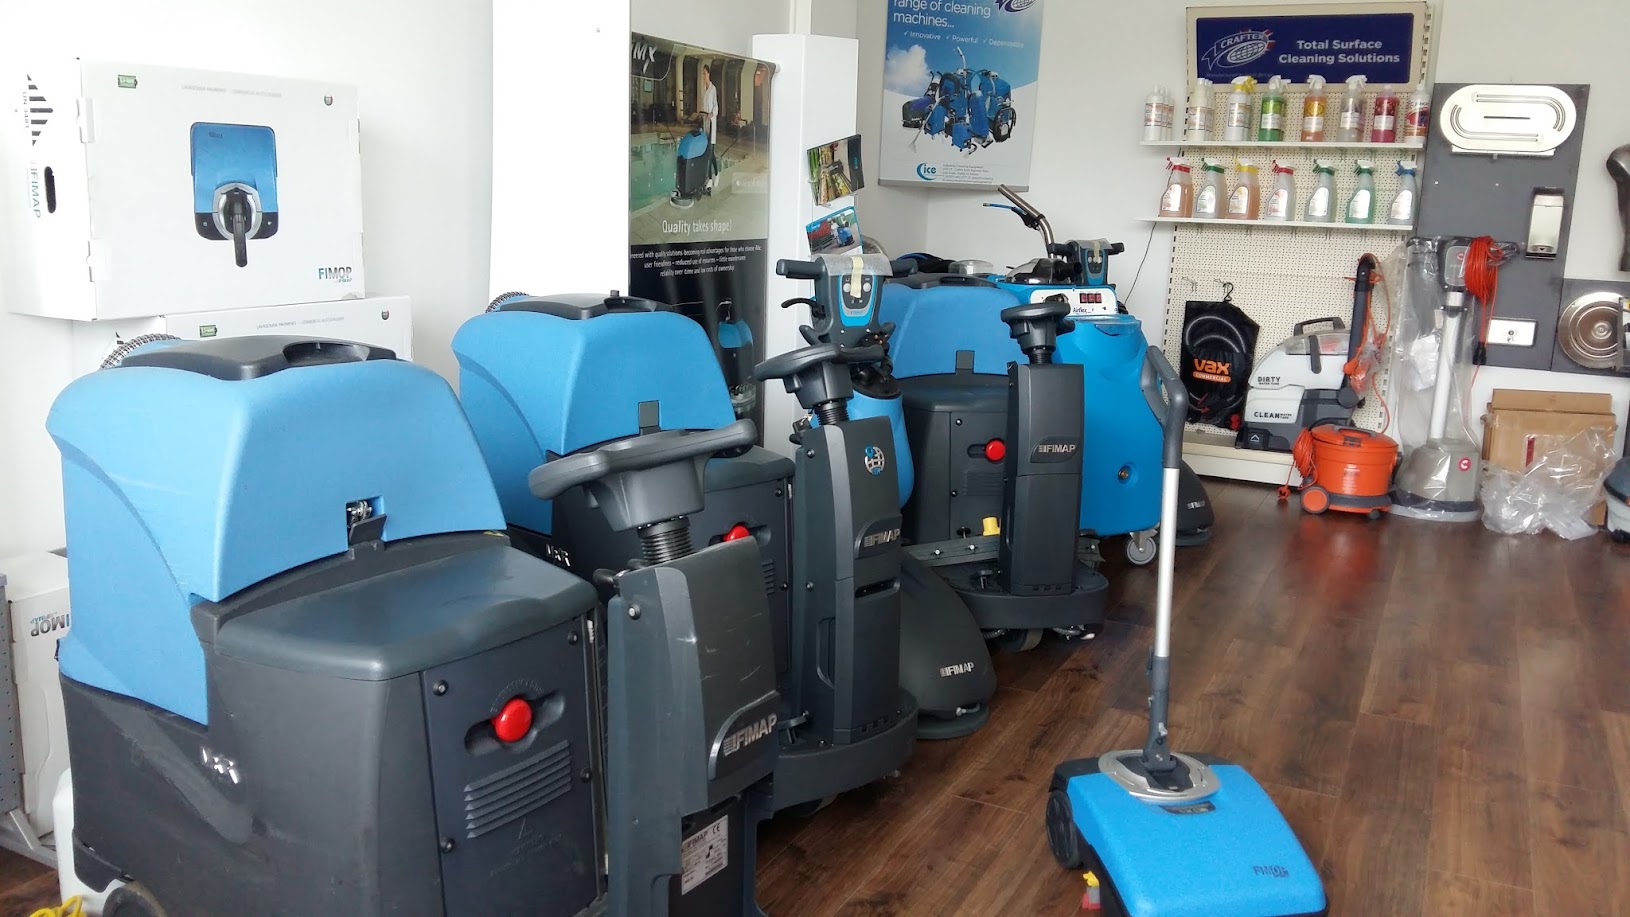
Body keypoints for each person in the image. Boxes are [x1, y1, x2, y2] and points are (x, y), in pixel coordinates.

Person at [698, 63, 719, 191]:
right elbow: (703, 105)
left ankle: (712, 178)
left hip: (711, 123)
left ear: (709, 74)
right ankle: (714, 175)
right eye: (703, 74)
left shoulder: (713, 89)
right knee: (708, 152)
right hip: (705, 123)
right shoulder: (703, 90)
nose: (704, 76)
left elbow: (716, 106)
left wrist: (711, 114)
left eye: (705, 73)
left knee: (710, 151)